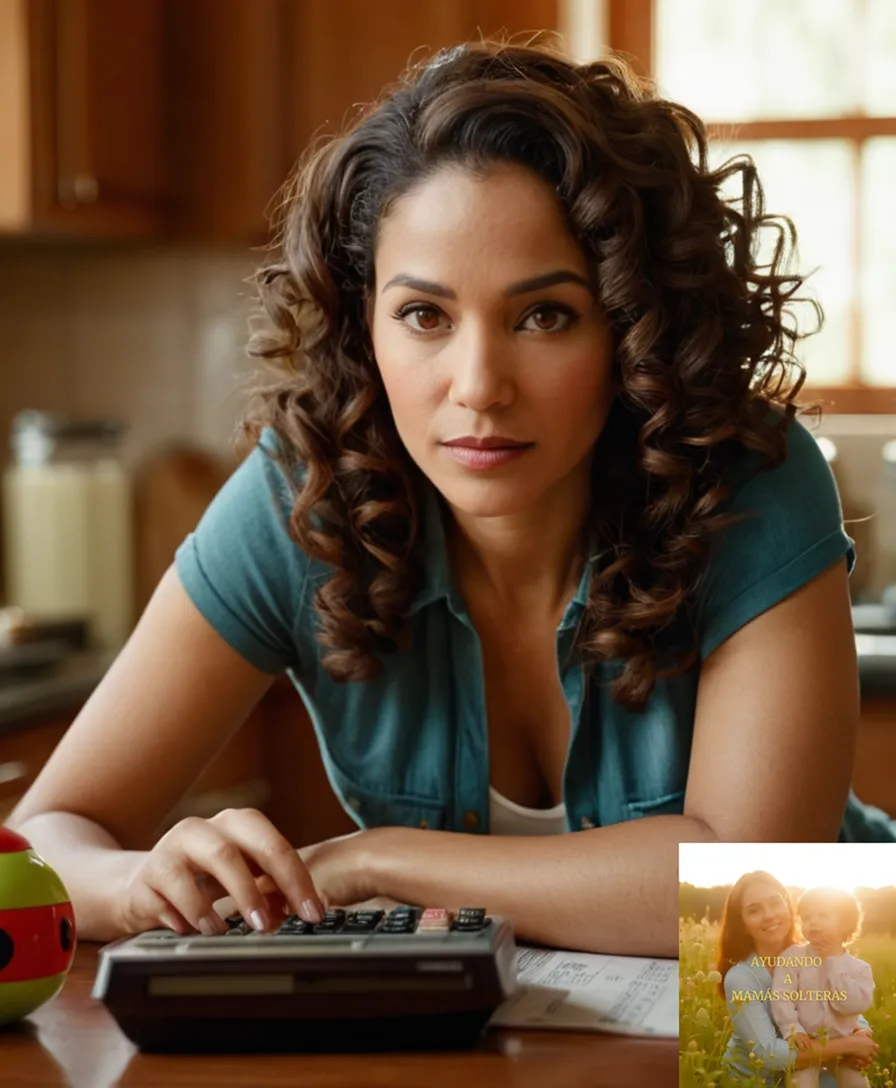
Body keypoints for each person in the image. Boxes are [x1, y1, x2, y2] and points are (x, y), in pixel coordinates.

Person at [8, 36, 896, 956]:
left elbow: (750, 883)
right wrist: (136, 885)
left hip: (825, 1000)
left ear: (632, 328)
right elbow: (46, 841)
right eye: (424, 315)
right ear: (364, 326)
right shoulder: (305, 494)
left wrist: (375, 860)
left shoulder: (747, 477)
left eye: (544, 315)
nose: (478, 386)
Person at [718, 872, 878, 1086]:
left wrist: (862, 1032)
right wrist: (850, 1045)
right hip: (756, 1080)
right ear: (743, 925)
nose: (769, 915)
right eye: (754, 910)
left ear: (788, 906)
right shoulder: (741, 978)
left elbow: (837, 1002)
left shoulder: (814, 953)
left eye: (775, 903)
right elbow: (768, 1054)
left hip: (809, 1064)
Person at [770, 887, 874, 1088]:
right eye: (807, 917)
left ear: (846, 923)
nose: (813, 922)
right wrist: (792, 1029)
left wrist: (832, 962)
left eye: (822, 915)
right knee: (800, 1083)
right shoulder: (792, 957)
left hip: (845, 1049)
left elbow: (851, 1006)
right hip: (807, 1044)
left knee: (857, 1082)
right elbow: (781, 997)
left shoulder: (860, 969)